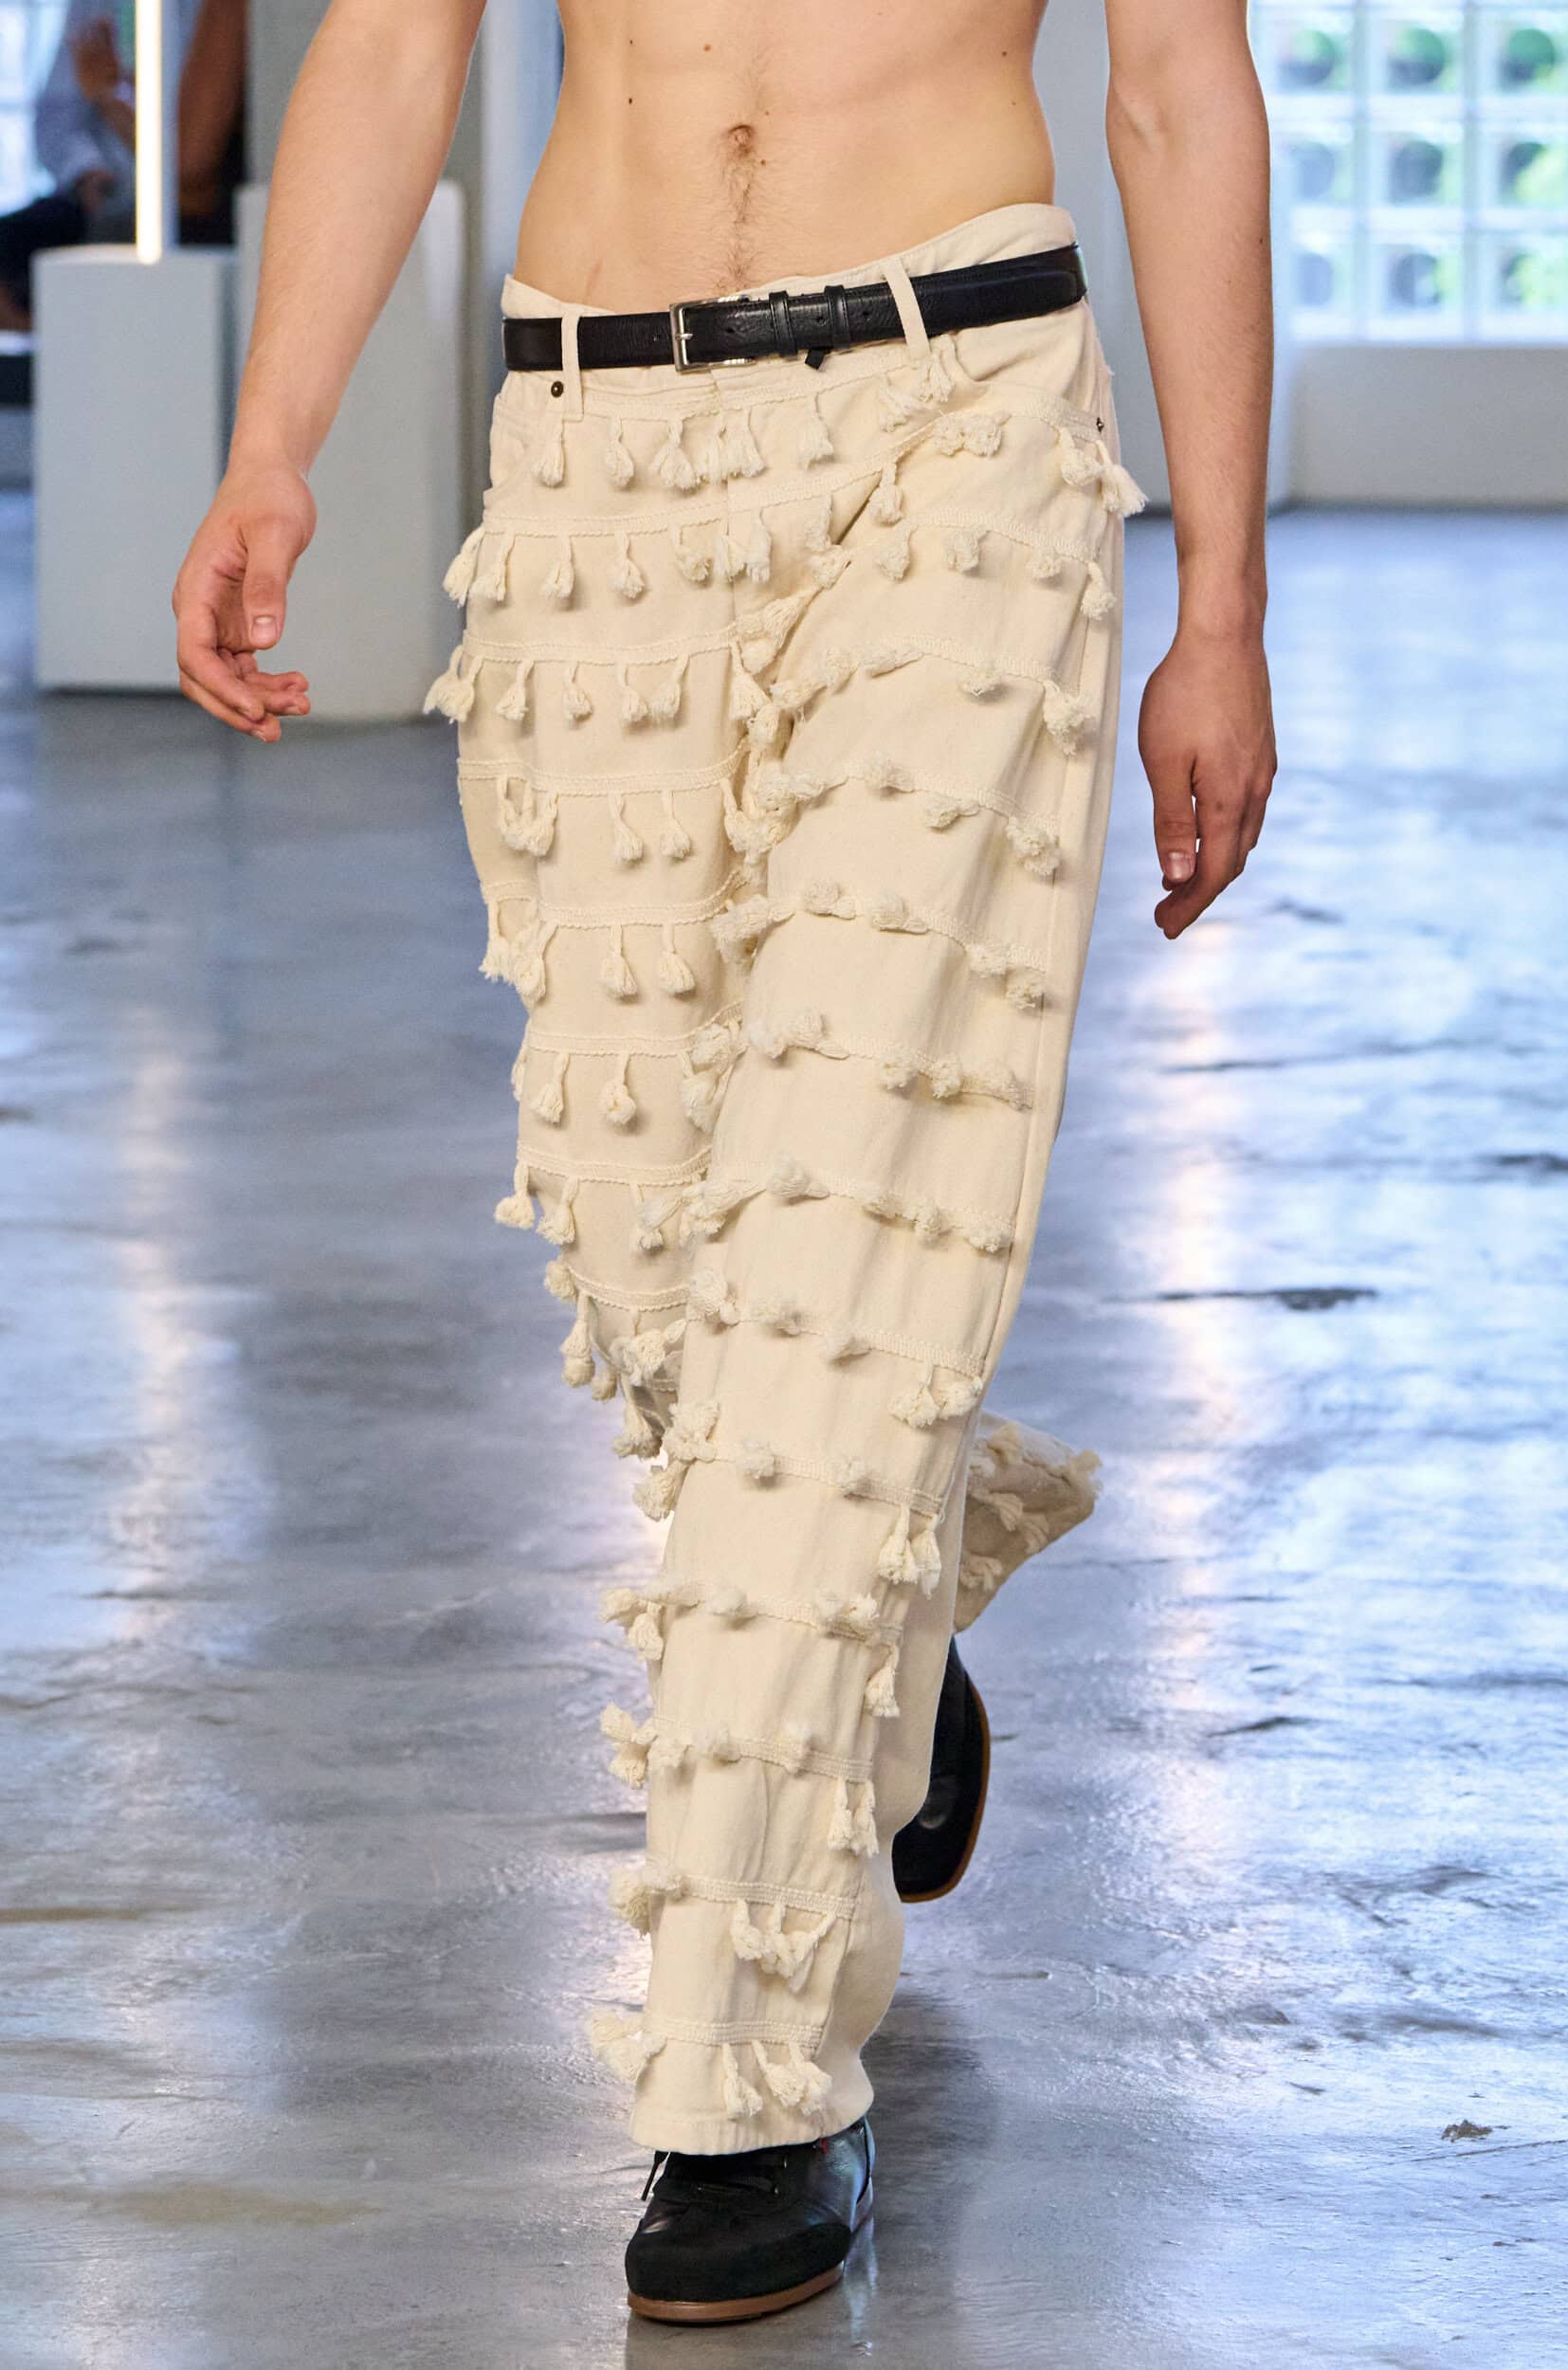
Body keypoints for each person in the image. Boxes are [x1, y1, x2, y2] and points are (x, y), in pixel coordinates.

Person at [173, 0, 1276, 2326]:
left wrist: (1222, 607)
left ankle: (748, 2083)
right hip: (597, 445)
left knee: (826, 1264)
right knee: (654, 1240)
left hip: (959, 424)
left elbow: (1175, 82)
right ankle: (901, 1567)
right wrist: (272, 443)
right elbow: (389, 38)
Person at [0, 0, 246, 332]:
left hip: (177, 215)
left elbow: (186, 168)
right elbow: (55, 115)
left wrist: (109, 95)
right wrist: (85, 172)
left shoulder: (218, 12)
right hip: (103, 194)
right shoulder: (94, 11)